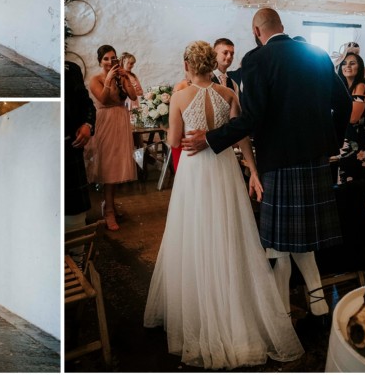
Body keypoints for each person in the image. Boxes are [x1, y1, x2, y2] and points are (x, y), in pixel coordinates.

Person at [182, 7, 351, 327]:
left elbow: (251, 118)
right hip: (316, 161)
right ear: (281, 25)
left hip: (279, 162)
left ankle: (281, 315)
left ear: (256, 31)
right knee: (302, 243)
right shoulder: (316, 54)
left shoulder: (258, 60)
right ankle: (317, 308)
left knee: (278, 245)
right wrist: (332, 142)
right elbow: (343, 104)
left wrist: (212, 138)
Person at [144, 41, 303, 369]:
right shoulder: (229, 94)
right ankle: (232, 304)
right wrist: (253, 170)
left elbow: (173, 141)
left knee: (194, 232)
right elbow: (242, 135)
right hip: (224, 169)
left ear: (187, 63)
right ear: (211, 63)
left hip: (194, 171)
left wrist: (184, 129)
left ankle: (200, 305)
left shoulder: (179, 96)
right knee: (228, 232)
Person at [85, 45, 138, 231]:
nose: (110, 62)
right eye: (106, 59)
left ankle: (111, 206)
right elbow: (104, 99)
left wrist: (126, 77)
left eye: (113, 58)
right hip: (106, 122)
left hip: (121, 121)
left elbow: (133, 95)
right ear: (100, 61)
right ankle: (108, 211)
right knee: (108, 168)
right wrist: (108, 80)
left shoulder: (120, 77)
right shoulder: (95, 79)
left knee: (116, 166)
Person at [64, 61, 96, 231]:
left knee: (75, 219)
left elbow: (87, 104)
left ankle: (77, 255)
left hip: (70, 148)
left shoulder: (71, 69)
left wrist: (88, 125)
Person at [336, 53, 365, 184]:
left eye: (352, 63)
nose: (347, 66)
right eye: (344, 63)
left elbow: (353, 118)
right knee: (346, 183)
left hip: (356, 144)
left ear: (360, 67)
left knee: (351, 185)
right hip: (347, 141)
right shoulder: (347, 88)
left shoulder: (361, 86)